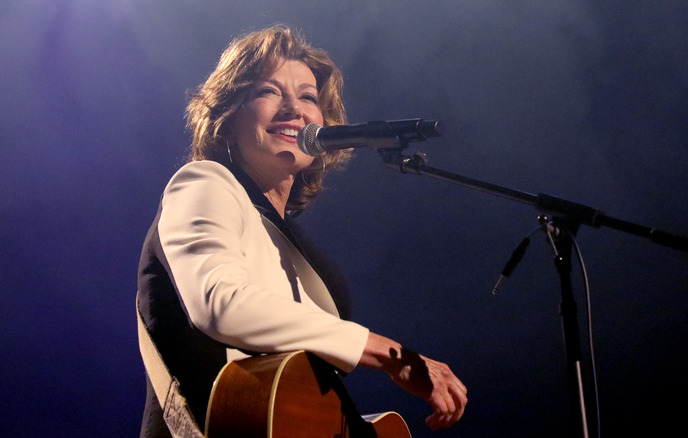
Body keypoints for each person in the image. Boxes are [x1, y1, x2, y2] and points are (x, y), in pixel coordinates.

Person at [137, 24, 467, 437]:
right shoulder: (204, 182)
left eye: (308, 97)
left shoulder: (288, 244)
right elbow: (220, 302)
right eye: (269, 91)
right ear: (228, 116)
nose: (294, 108)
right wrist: (387, 353)